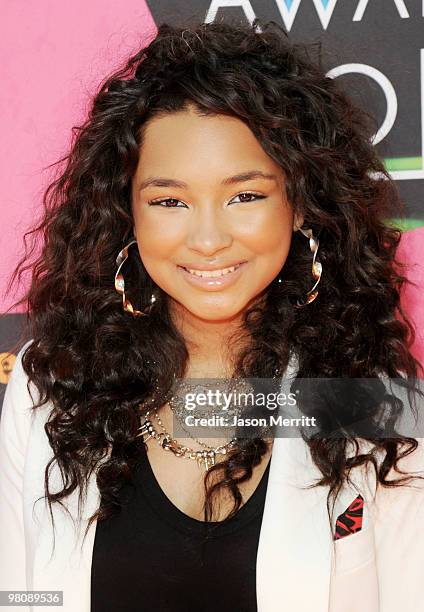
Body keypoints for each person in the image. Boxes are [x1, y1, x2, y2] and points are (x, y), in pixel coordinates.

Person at [0, 18, 423, 612]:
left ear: (300, 204)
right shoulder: (52, 383)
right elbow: (21, 594)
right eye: (169, 201)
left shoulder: (371, 401)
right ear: (128, 214)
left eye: (244, 196)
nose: (207, 238)